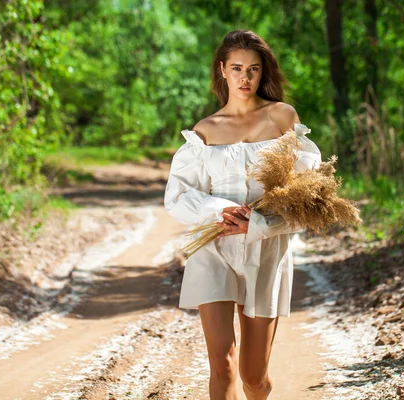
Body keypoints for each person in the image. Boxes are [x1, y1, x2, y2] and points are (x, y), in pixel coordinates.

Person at [164, 30, 321, 400]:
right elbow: (178, 196)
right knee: (222, 364)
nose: (245, 78)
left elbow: (309, 198)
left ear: (263, 71)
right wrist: (219, 210)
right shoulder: (204, 131)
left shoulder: (281, 117)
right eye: (236, 68)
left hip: (266, 252)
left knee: (253, 377)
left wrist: (262, 224)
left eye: (253, 69)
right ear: (222, 70)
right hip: (213, 249)